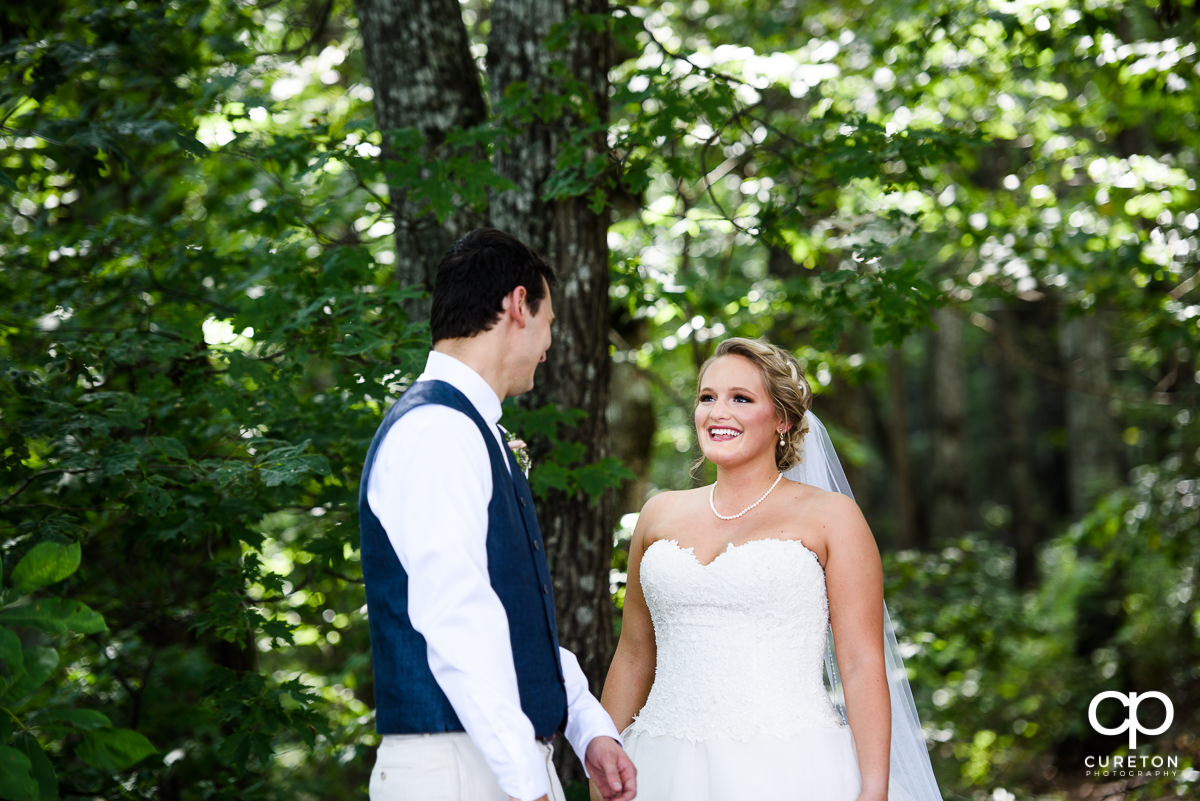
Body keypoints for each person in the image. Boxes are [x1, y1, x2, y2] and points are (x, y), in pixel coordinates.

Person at [598, 337, 942, 801]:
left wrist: (875, 788)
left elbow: (860, 662)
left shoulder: (832, 517)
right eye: (707, 397)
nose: (718, 412)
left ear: (783, 419)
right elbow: (634, 654)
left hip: (792, 766)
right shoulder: (658, 513)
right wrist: (603, 756)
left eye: (741, 398)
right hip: (659, 765)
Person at [359, 228, 636, 801]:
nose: (549, 344)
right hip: (455, 767)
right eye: (549, 322)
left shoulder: (469, 428)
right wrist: (525, 781)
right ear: (517, 305)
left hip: (489, 759)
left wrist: (587, 728)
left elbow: (511, 621)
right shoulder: (436, 430)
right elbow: (457, 616)